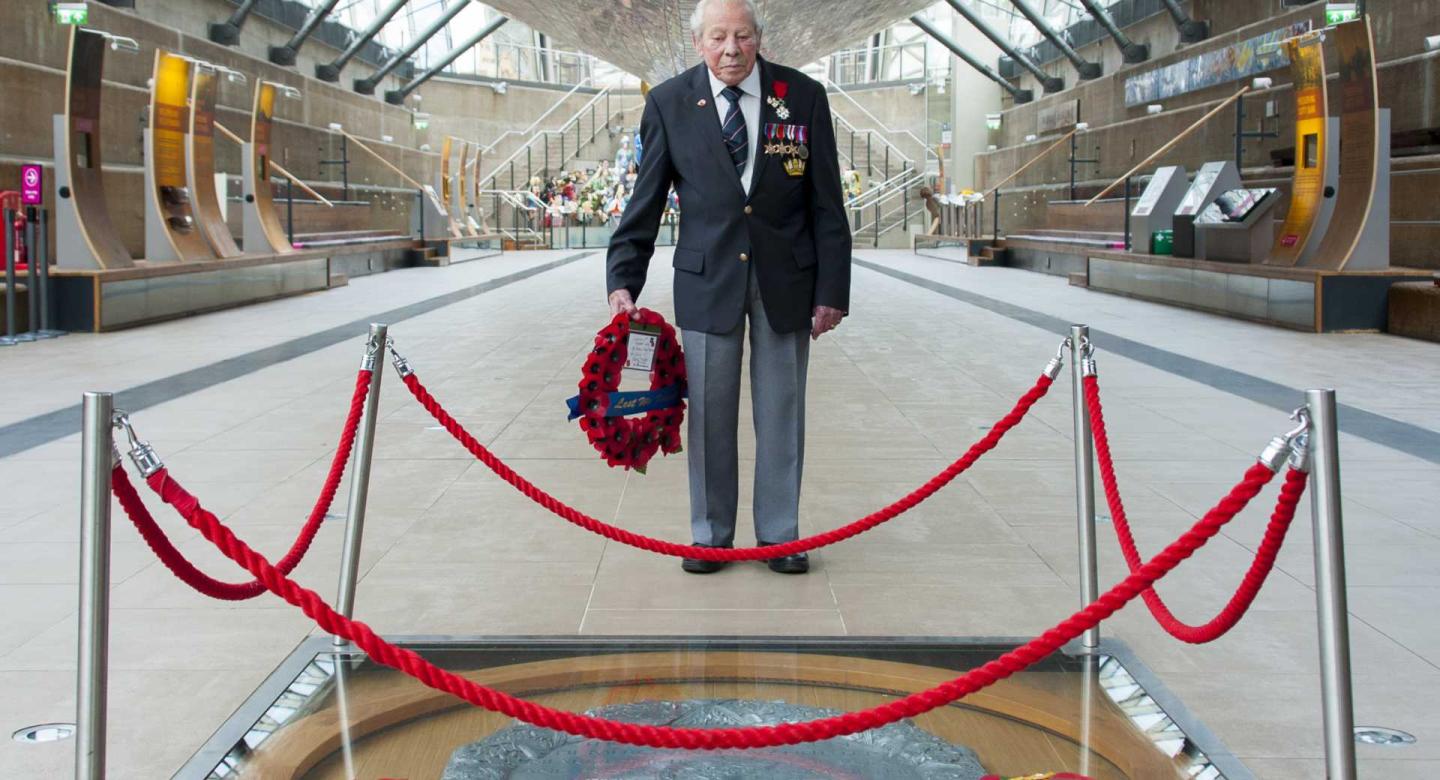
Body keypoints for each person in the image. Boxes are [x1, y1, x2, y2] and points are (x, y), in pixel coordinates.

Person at [606, 0, 850, 575]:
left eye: (742, 36)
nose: (731, 49)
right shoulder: (668, 103)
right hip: (707, 279)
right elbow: (644, 203)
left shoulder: (803, 96)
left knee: (782, 410)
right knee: (711, 414)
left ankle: (780, 535)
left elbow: (827, 205)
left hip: (786, 279)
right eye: (718, 37)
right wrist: (623, 280)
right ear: (698, 43)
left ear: (759, 39)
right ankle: (711, 535)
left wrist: (832, 290)